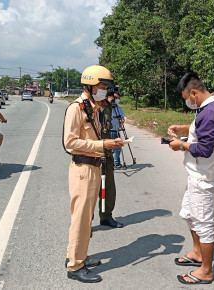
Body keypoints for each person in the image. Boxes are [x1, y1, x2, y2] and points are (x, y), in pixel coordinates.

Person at [63, 65, 124, 283]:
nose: (105, 90)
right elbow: (69, 143)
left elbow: (98, 137)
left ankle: (77, 256)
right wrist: (101, 143)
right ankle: (75, 266)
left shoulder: (95, 108)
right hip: (83, 168)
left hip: (95, 166)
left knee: (85, 219)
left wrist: (109, 144)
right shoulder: (77, 109)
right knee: (81, 219)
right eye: (101, 86)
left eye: (106, 87)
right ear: (89, 85)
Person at [168, 72, 214, 285]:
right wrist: (184, 128)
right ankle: (197, 252)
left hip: (204, 177)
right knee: (189, 214)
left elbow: (204, 148)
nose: (186, 101)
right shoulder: (213, 103)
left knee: (204, 224)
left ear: (193, 92)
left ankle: (206, 271)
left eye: (186, 97)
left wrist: (181, 145)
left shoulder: (211, 112)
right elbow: (204, 129)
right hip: (197, 174)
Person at [98, 87, 124, 228]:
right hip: (92, 153)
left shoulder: (109, 107)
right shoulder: (90, 105)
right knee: (91, 191)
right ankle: (85, 224)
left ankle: (106, 216)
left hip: (106, 153)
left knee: (108, 188)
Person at [109, 87, 125, 168]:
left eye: (118, 98)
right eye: (115, 98)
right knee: (110, 148)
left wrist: (122, 120)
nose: (116, 100)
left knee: (118, 147)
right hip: (108, 130)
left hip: (116, 130)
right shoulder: (106, 107)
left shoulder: (118, 107)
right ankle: (110, 163)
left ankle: (117, 163)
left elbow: (122, 117)